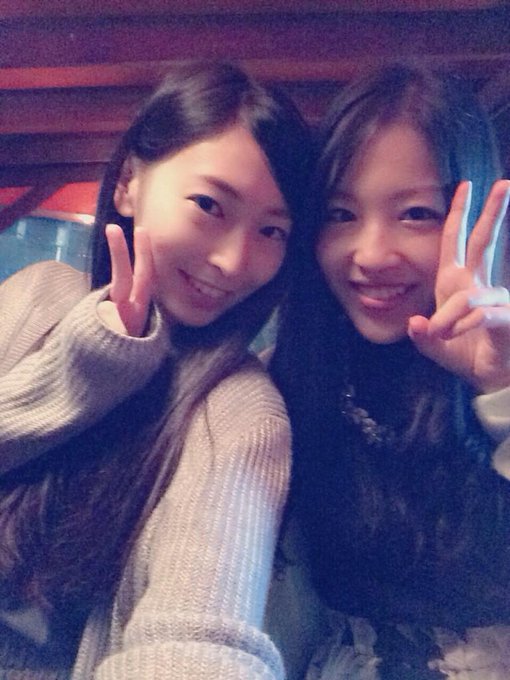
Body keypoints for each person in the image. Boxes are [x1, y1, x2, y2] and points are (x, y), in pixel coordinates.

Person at [0, 61, 312, 678]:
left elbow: (202, 640)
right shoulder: (38, 295)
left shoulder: (237, 411)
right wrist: (90, 365)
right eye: (209, 205)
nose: (233, 261)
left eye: (272, 230)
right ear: (128, 184)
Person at [266, 63, 510, 679]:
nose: (371, 255)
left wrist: (500, 390)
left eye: (416, 214)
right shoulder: (293, 378)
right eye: (341, 214)